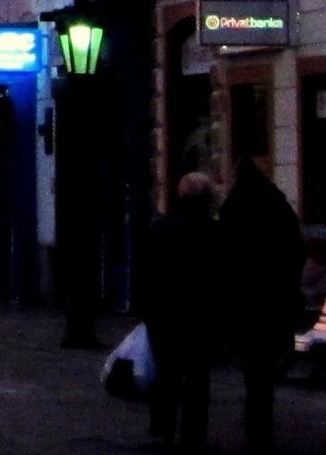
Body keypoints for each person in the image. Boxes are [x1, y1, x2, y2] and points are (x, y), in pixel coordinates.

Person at [219, 160, 305, 454]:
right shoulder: (278, 206)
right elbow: (296, 250)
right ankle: (262, 423)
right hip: (274, 300)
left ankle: (255, 424)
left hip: (244, 301)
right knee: (265, 368)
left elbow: (225, 257)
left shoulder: (233, 208)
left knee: (252, 367)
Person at [139, 172, 220, 449]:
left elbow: (148, 272)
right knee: (198, 378)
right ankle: (193, 432)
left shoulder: (163, 228)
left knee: (167, 373)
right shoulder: (214, 232)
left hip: (165, 315)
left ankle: (163, 425)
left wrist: (147, 309)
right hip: (200, 317)